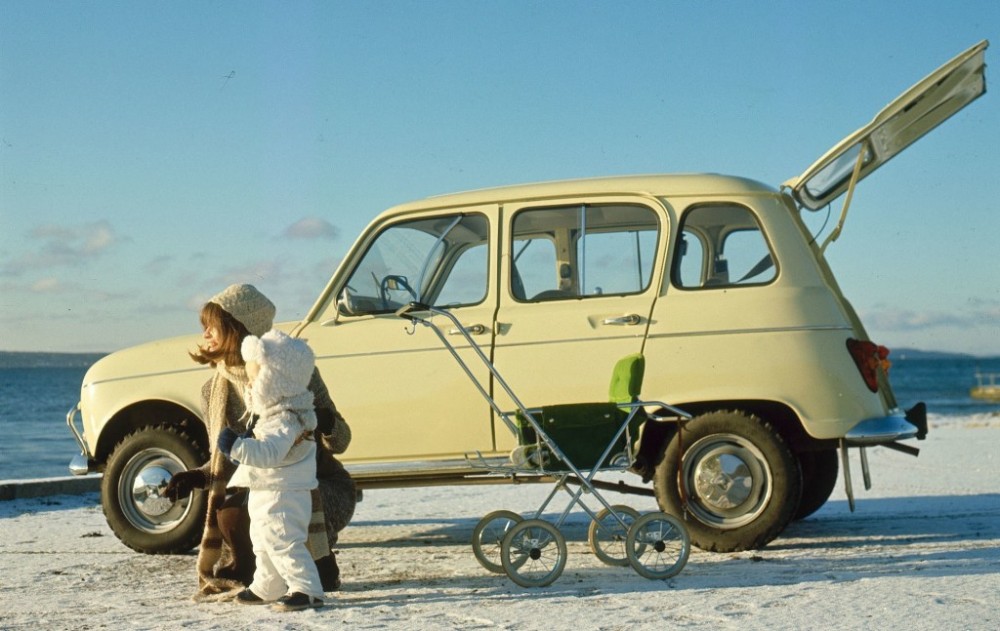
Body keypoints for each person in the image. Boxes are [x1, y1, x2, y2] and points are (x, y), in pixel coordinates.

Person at [164, 283, 355, 599]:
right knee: (235, 515)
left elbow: (342, 442)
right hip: (265, 484)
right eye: (204, 327)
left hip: (314, 485)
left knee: (276, 525)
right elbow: (224, 460)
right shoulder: (213, 392)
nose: (206, 334)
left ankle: (319, 565)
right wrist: (196, 475)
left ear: (240, 329)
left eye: (214, 326)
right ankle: (264, 578)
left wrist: (326, 421)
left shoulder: (296, 374)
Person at [216, 329, 325, 611]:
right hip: (268, 488)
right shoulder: (274, 416)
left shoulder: (287, 419)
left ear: (276, 383)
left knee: (283, 540)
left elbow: (269, 453)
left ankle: (307, 588)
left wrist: (236, 447)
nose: (250, 387)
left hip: (283, 492)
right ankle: (268, 584)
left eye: (255, 380)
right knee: (262, 541)